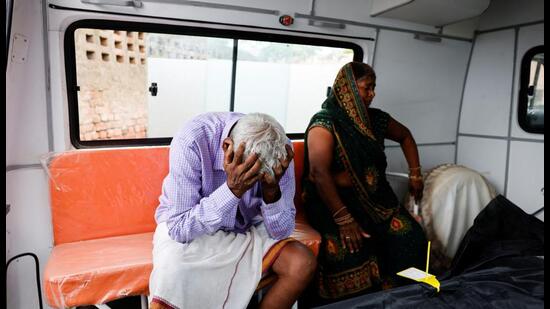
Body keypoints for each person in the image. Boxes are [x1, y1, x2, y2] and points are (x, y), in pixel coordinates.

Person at [149, 112, 316, 309]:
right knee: (173, 272)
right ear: (227, 147)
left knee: (301, 263)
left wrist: (272, 192)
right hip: (195, 230)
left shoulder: (278, 150)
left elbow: (281, 231)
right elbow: (179, 228)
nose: (256, 179)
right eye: (250, 173)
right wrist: (233, 191)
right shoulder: (193, 139)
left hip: (247, 228)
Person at [302, 62, 427, 305]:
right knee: (352, 250)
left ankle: (400, 296)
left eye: (374, 88)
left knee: (412, 237)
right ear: (347, 89)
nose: (372, 94)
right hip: (333, 203)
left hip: (376, 199)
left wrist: (415, 174)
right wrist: (344, 218)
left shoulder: (376, 119)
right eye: (366, 88)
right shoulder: (325, 123)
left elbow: (405, 136)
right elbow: (318, 173)